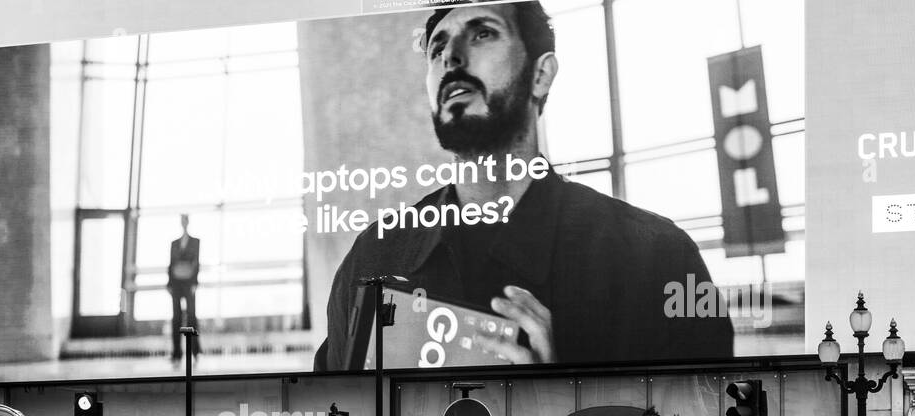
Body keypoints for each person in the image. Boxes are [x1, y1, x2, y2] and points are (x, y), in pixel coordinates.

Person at [314, 0, 732, 372]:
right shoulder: (373, 256)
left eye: (482, 34)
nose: (451, 58)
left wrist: (564, 402)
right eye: (437, 48)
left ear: (541, 75)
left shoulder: (658, 259)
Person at [168, 213, 201, 362]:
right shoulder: (174, 243)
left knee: (192, 317)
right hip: (176, 284)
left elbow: (196, 263)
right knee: (176, 317)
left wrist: (195, 282)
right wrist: (169, 283)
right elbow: (171, 264)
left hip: (189, 284)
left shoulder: (195, 242)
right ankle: (176, 351)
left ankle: (195, 350)